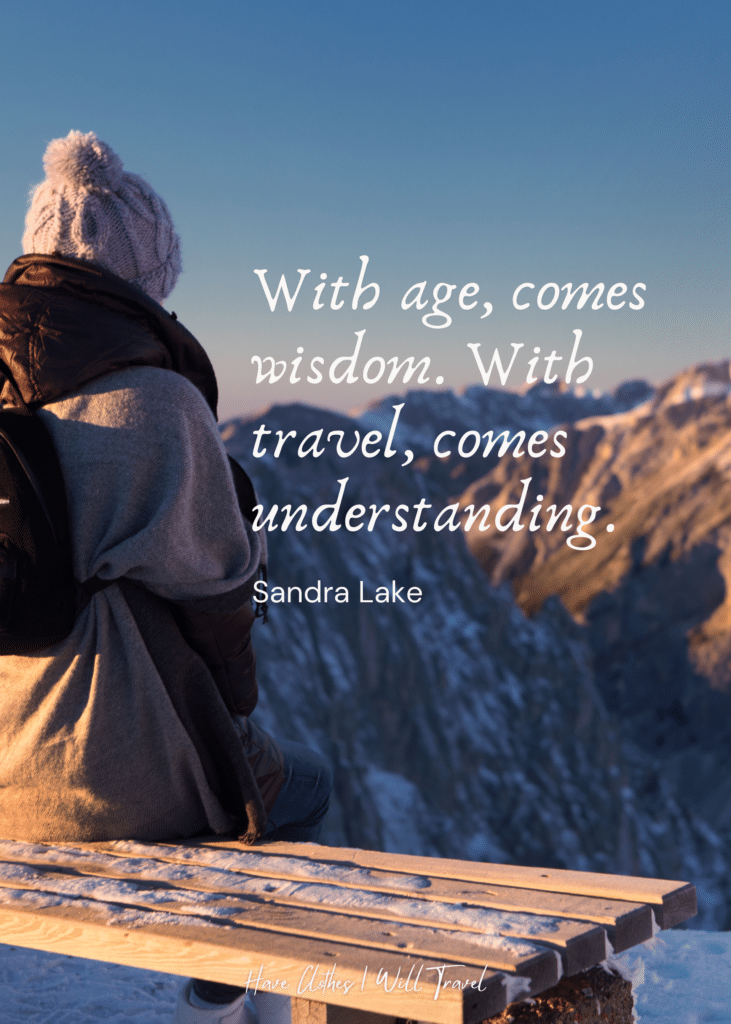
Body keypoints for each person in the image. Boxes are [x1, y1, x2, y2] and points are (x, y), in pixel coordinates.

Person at [0, 131, 331, 1024]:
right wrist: (236, 718)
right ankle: (230, 1000)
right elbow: (219, 597)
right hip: (104, 774)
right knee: (307, 793)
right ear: (138, 274)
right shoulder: (156, 403)